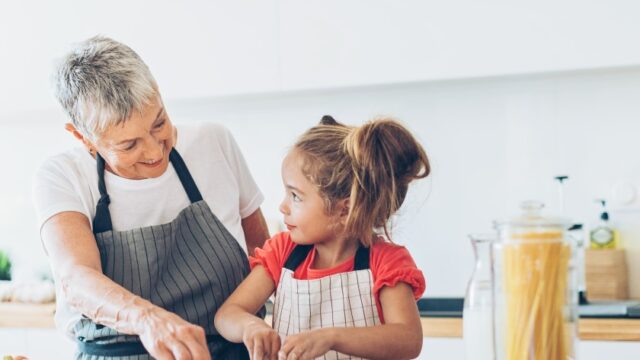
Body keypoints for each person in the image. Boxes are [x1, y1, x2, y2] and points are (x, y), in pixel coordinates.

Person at [32, 36, 269, 359]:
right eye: (129, 145)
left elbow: (263, 255)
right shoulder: (62, 176)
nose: (156, 151)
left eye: (159, 123)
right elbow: (76, 278)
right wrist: (148, 320)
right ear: (83, 138)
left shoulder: (214, 143)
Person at [215, 116, 429, 360]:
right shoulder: (283, 252)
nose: (283, 206)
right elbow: (227, 314)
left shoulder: (385, 262)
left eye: (295, 196)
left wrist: (331, 337)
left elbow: (408, 339)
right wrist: (250, 326)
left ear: (344, 210)